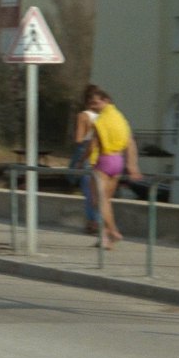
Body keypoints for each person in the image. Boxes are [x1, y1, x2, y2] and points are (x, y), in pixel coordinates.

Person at [81, 85, 142, 250]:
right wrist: (132, 165)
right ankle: (105, 237)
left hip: (103, 161)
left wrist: (80, 161)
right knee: (105, 201)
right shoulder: (121, 119)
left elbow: (92, 145)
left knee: (98, 201)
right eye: (91, 105)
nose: (93, 107)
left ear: (105, 100)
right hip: (118, 162)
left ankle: (113, 232)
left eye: (96, 103)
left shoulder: (101, 121)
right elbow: (130, 143)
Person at [68, 86, 100, 234]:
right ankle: (98, 221)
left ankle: (92, 222)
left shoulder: (83, 116)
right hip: (101, 153)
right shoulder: (103, 115)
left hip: (86, 150)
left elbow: (79, 139)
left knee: (87, 189)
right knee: (98, 189)